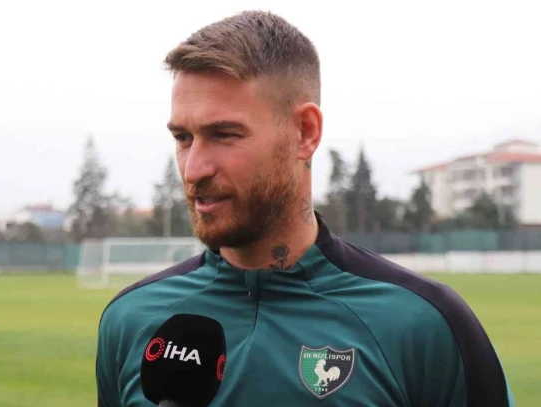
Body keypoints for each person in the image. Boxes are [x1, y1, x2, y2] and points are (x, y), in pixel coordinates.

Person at [95, 10, 515, 407]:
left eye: (223, 134)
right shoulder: (130, 320)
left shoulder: (423, 325)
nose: (193, 169)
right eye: (183, 138)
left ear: (305, 132)